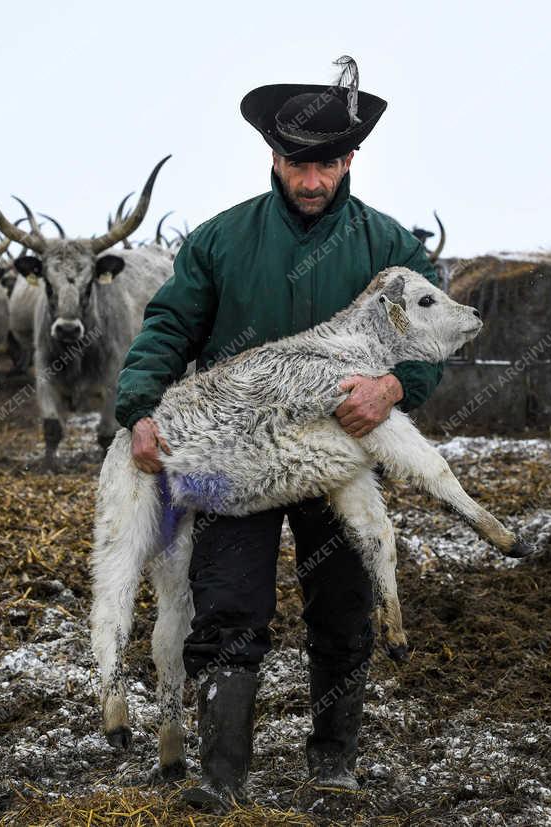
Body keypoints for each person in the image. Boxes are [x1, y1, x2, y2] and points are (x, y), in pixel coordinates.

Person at [114, 57, 445, 811]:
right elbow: (168, 326)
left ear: (350, 158)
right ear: (274, 155)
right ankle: (220, 773)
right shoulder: (221, 242)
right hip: (238, 456)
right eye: (299, 161)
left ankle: (334, 757)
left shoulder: (390, 250)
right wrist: (140, 406)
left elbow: (429, 340)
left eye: (327, 162)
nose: (312, 178)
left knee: (341, 601)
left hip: (342, 454)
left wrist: (394, 386)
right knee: (228, 601)